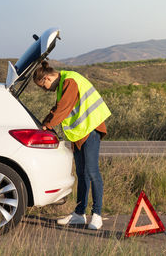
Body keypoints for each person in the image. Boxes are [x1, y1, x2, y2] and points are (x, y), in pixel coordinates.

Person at [33, 61, 111, 230]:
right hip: (80, 132)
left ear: (47, 77)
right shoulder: (63, 84)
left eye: (43, 86)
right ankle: (79, 214)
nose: (45, 89)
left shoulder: (70, 81)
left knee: (91, 172)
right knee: (82, 173)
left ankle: (97, 215)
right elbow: (59, 107)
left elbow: (63, 107)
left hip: (90, 128)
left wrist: (48, 124)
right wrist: (45, 122)